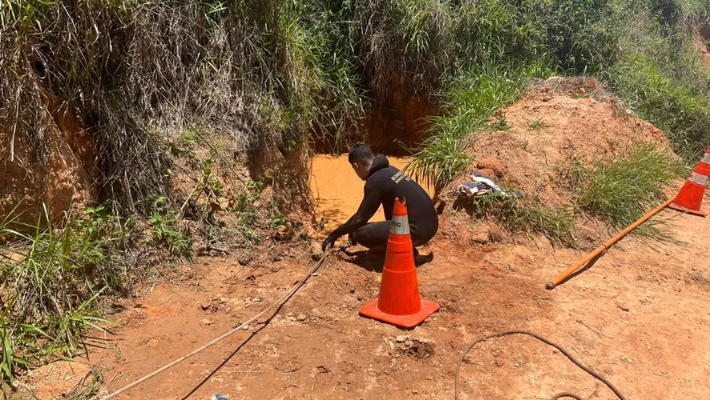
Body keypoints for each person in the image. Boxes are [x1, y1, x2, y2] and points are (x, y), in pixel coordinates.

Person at [321, 144, 438, 253]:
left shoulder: (375, 180)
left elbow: (360, 217)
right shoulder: (389, 170)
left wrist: (336, 233)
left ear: (357, 166)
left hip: (417, 231)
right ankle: (404, 248)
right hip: (430, 226)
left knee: (361, 233)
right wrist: (351, 227)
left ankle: (400, 252)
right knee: (363, 227)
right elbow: (384, 210)